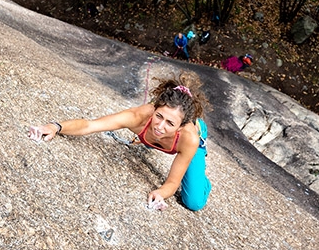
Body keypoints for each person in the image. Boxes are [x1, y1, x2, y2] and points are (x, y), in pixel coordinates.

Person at [28, 72, 212, 211]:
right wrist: (55, 127)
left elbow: (172, 183)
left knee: (194, 202)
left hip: (194, 137)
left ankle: (203, 179)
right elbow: (90, 126)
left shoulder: (188, 138)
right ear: (154, 109)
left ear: (180, 127)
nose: (160, 126)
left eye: (170, 123)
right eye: (159, 116)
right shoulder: (138, 117)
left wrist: (160, 193)